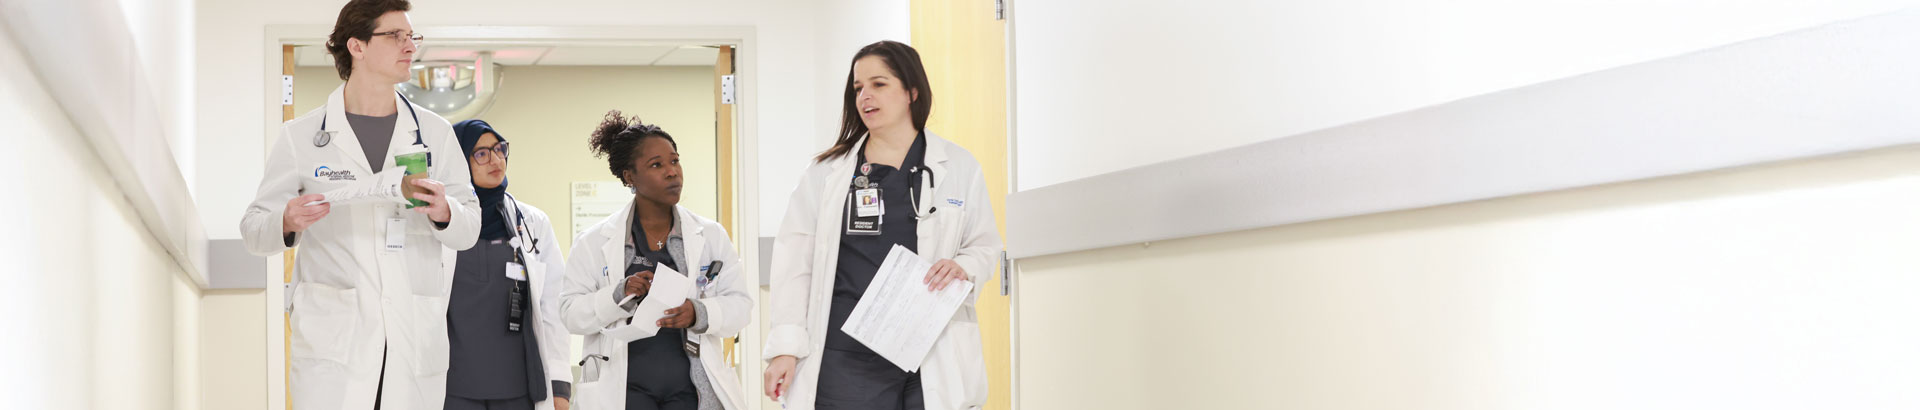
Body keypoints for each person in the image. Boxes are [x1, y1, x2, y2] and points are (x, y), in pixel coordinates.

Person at [239, 0, 480, 409]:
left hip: (411, 333)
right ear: (357, 46)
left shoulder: (435, 133)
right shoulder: (301, 137)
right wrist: (286, 219)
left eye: (412, 36)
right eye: (396, 35)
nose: (410, 46)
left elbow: (469, 225)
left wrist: (444, 212)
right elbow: (253, 230)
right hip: (336, 340)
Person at [761, 40, 1001, 410]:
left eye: (878, 84)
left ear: (911, 91)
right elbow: (794, 265)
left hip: (929, 347)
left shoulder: (958, 165)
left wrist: (963, 267)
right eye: (858, 88)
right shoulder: (827, 173)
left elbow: (984, 245)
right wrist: (785, 349)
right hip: (847, 354)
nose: (865, 96)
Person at [558, 111, 754, 410]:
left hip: (691, 391)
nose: (672, 172)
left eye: (674, 161)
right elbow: (570, 314)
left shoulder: (710, 236)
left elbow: (740, 307)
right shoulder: (594, 242)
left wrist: (698, 312)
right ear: (629, 177)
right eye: (656, 165)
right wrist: (617, 294)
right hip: (624, 390)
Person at [444, 119, 574, 410]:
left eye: (500, 149)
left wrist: (560, 386)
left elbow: (552, 304)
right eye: (481, 153)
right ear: (457, 161)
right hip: (453, 387)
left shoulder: (532, 223)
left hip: (518, 386)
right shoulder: (440, 225)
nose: (496, 159)